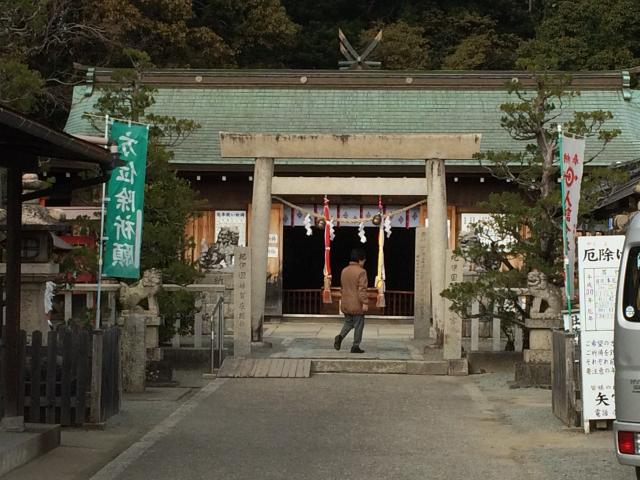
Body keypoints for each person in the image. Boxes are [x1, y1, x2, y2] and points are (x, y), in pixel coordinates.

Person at [334, 248, 368, 353]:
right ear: (360, 259)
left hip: (345, 302)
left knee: (348, 322)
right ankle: (355, 346)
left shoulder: (344, 270)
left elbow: (342, 287)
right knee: (359, 324)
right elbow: (362, 289)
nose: (364, 262)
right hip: (357, 304)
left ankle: (340, 337)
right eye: (364, 260)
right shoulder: (362, 272)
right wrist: (365, 302)